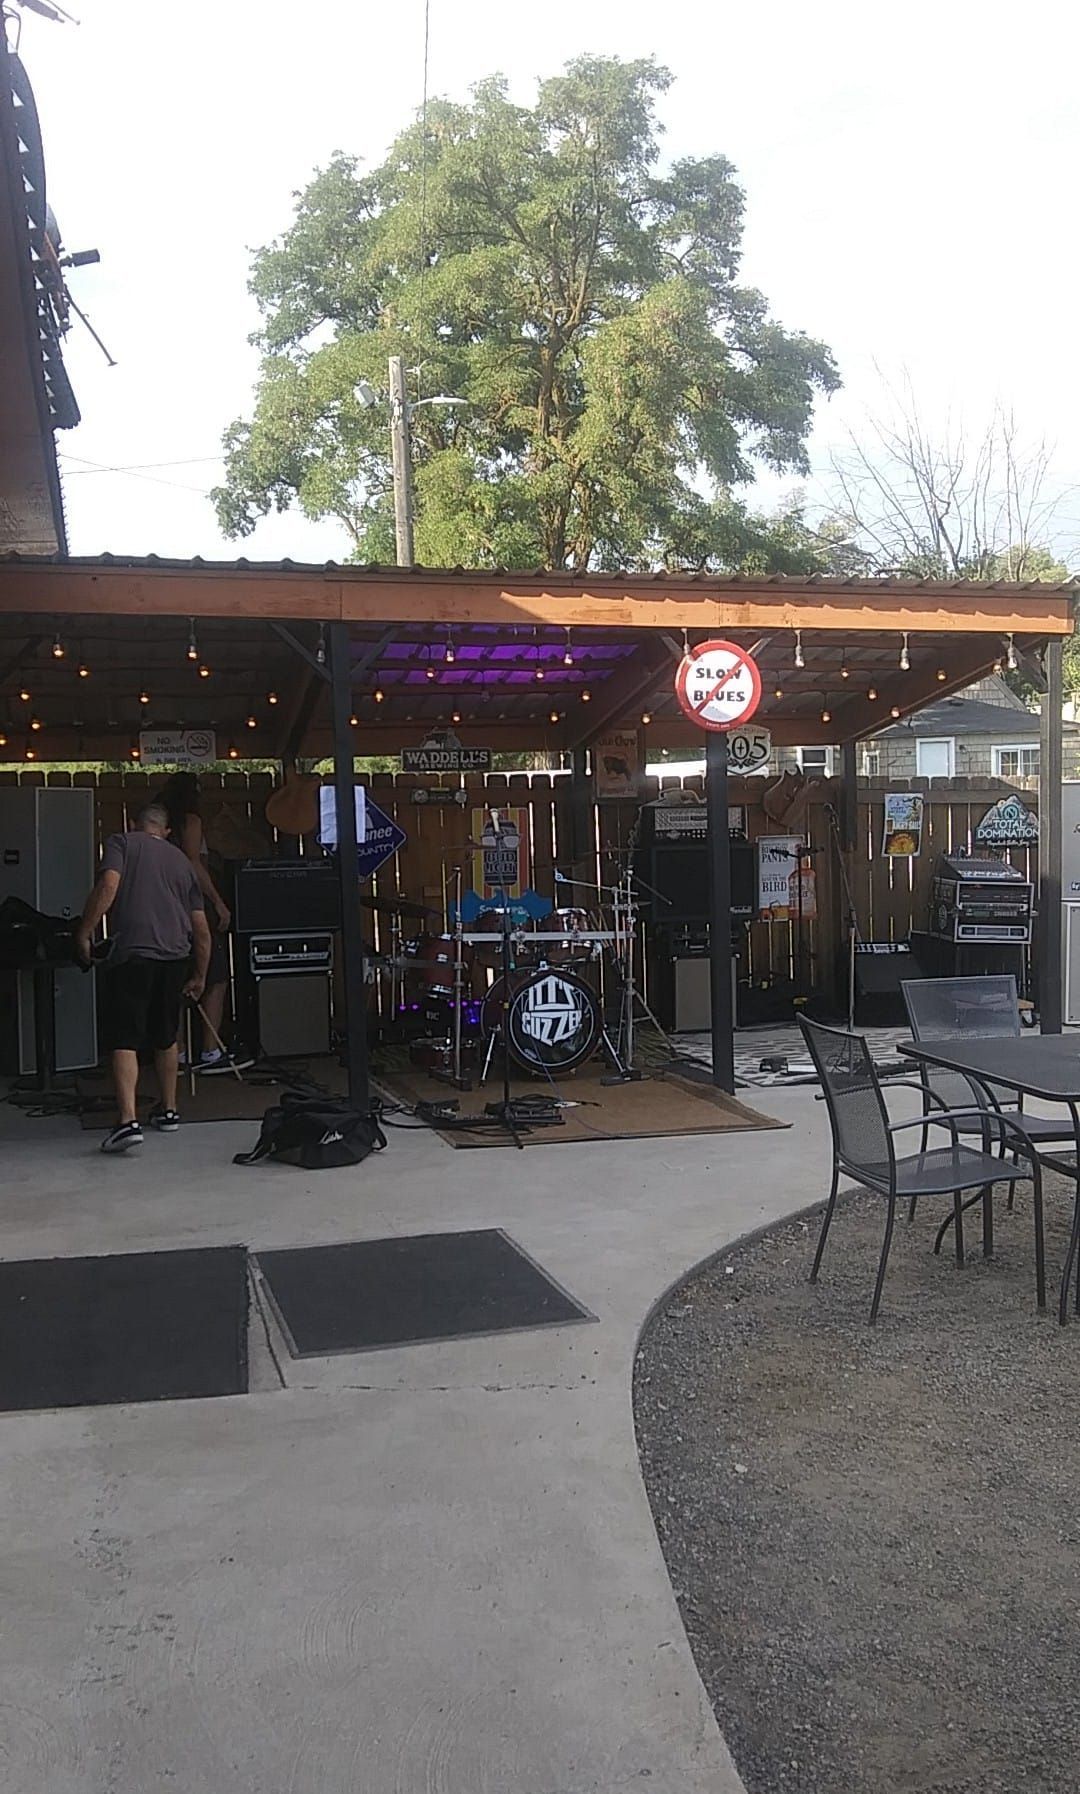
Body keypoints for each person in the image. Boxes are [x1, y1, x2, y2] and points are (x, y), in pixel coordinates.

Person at [75, 803, 211, 1154]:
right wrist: (199, 974)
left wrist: (85, 932)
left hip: (133, 953)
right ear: (166, 831)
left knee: (124, 1037)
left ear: (134, 824)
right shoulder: (183, 862)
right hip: (174, 956)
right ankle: (169, 1110)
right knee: (167, 1035)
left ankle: (127, 1121)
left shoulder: (122, 842)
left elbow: (109, 884)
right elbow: (201, 927)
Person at [154, 772, 241, 1071]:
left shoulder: (154, 822)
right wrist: (218, 901)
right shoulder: (189, 821)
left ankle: (175, 1053)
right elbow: (192, 862)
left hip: (161, 908)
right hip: (190, 906)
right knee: (215, 976)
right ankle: (210, 1052)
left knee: (175, 977)